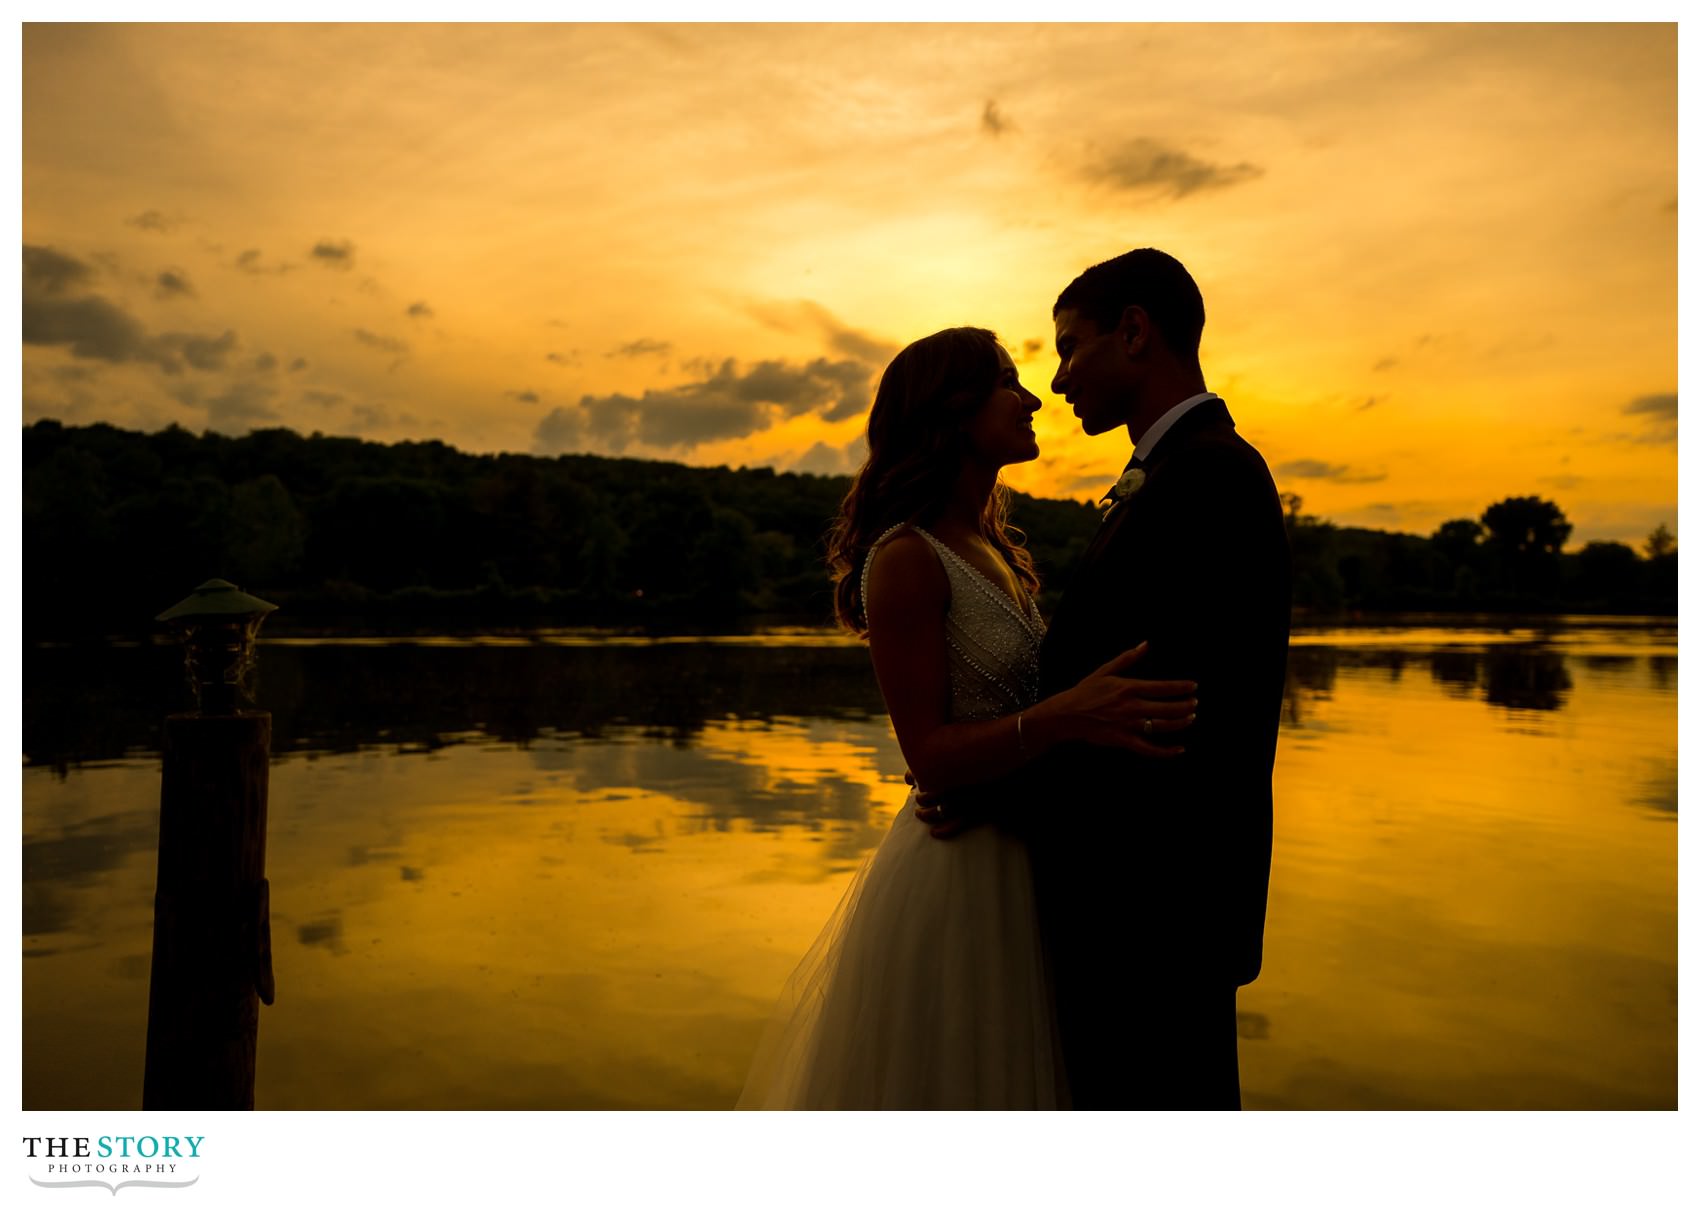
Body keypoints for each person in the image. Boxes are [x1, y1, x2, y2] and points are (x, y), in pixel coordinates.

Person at [735, 326, 1199, 1110]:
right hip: (959, 878)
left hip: (1025, 857)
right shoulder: (907, 558)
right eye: (1006, 384)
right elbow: (931, 756)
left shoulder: (991, 545)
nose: (1031, 399)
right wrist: (1065, 716)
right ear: (950, 410)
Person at [921, 249, 1292, 1109]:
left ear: (1134, 332)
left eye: (1069, 346)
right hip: (1142, 907)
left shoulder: (1207, 476)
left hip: (1155, 913)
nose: (1056, 381)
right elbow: (1116, 707)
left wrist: (993, 792)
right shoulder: (1173, 474)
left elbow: (1161, 722)